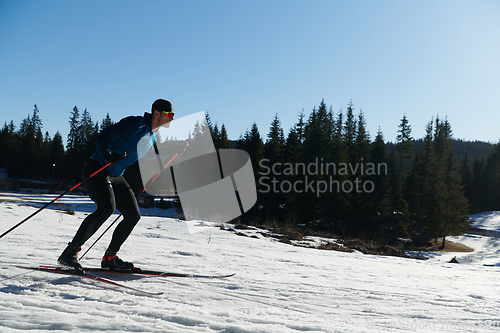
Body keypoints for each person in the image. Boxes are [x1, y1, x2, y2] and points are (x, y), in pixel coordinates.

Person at [58, 99, 175, 270]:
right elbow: (102, 136)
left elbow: (139, 156)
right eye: (169, 114)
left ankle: (110, 258)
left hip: (116, 175)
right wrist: (107, 155)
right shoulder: (136, 124)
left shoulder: (153, 133)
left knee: (133, 215)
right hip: (97, 167)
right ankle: (69, 253)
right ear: (157, 113)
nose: (172, 118)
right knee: (106, 208)